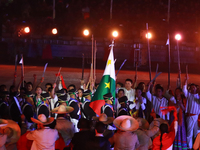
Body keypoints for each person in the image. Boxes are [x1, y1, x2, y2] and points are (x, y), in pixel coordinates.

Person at [183, 75, 200, 150]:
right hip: (190, 116)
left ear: (196, 88)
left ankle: (196, 146)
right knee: (189, 133)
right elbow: (184, 89)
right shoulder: (188, 95)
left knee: (196, 133)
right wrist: (186, 80)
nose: (193, 89)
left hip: (197, 117)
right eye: (191, 87)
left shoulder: (198, 97)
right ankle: (189, 147)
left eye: (194, 87)